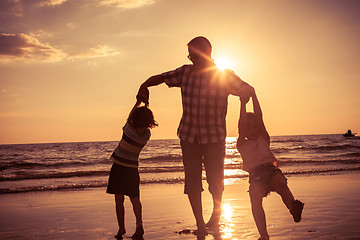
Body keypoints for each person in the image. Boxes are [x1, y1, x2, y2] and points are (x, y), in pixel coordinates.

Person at [136, 36, 252, 235]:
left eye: (193, 53)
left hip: (214, 137)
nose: (191, 58)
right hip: (189, 136)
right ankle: (200, 223)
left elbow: (246, 88)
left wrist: (244, 94)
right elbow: (162, 77)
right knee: (192, 182)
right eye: (189, 54)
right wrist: (144, 85)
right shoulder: (184, 73)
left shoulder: (223, 75)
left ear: (206, 52)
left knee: (215, 181)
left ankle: (215, 217)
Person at [236, 88, 304, 240]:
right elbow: (242, 123)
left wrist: (254, 96)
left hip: (271, 170)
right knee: (254, 196)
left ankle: (293, 208)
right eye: (249, 127)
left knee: (281, 183)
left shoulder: (264, 139)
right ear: (243, 131)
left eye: (255, 127)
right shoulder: (241, 143)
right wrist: (242, 104)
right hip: (256, 176)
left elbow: (259, 118)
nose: (252, 129)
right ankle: (264, 235)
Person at [106, 97, 158, 239]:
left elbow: (130, 116)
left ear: (135, 118)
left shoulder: (128, 129)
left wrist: (137, 103)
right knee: (135, 198)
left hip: (119, 168)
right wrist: (146, 107)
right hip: (132, 169)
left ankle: (121, 228)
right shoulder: (147, 135)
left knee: (119, 199)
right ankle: (139, 223)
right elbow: (137, 118)